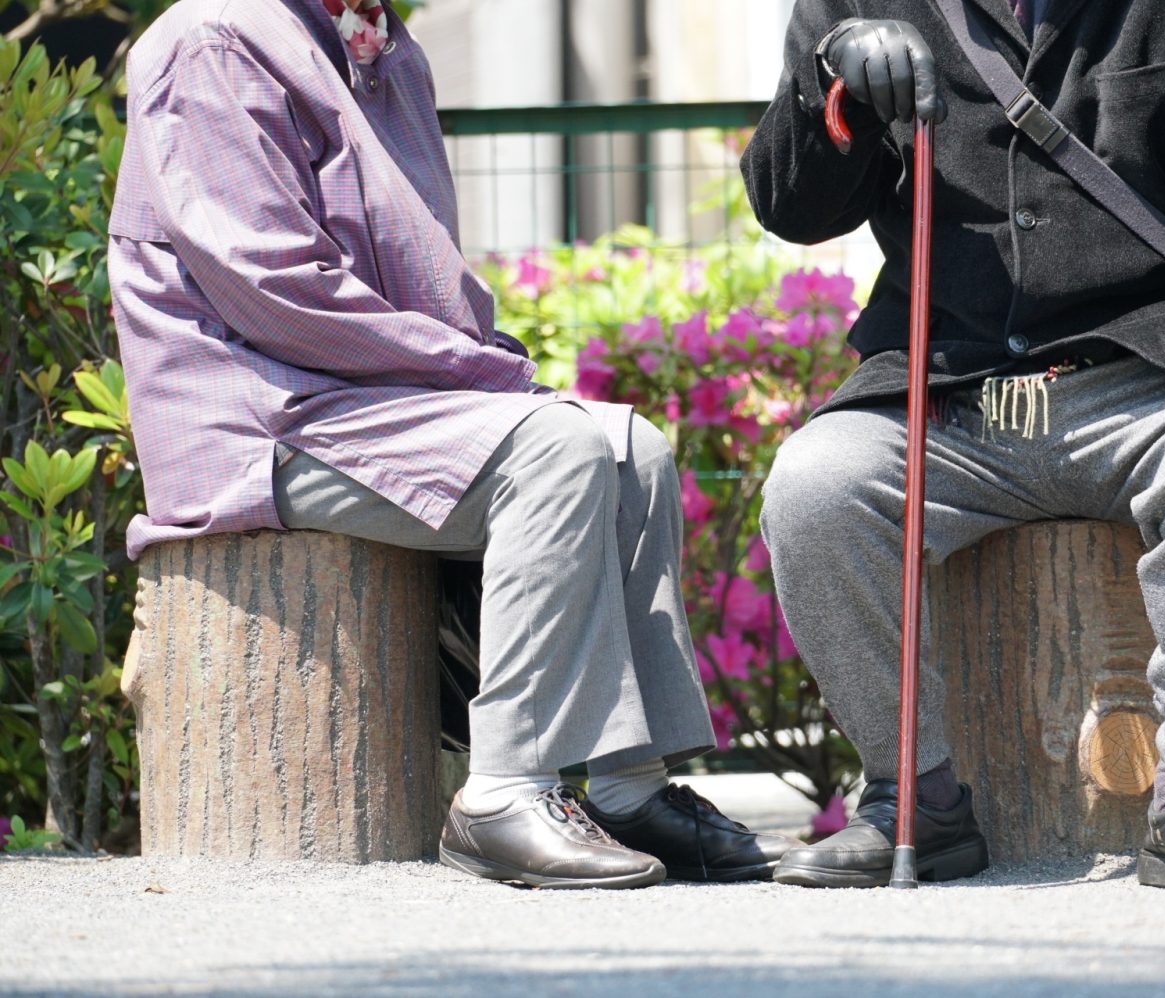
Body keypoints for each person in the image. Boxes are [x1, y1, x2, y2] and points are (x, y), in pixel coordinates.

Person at [108, 0, 793, 889]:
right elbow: (271, 288)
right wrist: (472, 369)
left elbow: (424, 276)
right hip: (259, 415)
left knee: (635, 450)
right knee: (554, 452)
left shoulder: (387, 51)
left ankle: (629, 790)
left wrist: (471, 367)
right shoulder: (213, 37)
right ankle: (504, 791)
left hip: (370, 400)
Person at [743, 0, 1165, 889]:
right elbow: (792, 210)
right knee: (815, 485)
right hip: (949, 385)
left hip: (1140, 371)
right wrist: (830, 84)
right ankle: (913, 797)